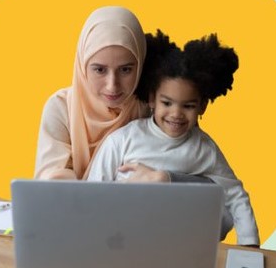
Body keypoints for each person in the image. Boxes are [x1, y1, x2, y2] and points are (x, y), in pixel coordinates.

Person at [87, 31, 260, 246]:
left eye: (188, 106)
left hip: (179, 243)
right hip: (123, 240)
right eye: (167, 103)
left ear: (202, 105)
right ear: (152, 99)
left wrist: (249, 244)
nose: (176, 114)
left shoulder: (204, 148)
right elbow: (92, 193)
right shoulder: (123, 139)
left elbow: (235, 195)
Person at [34, 6, 150, 180]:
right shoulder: (61, 107)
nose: (112, 86)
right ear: (83, 66)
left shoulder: (157, 106)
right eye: (100, 70)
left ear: (140, 64)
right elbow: (49, 183)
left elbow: (194, 170)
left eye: (125, 69)